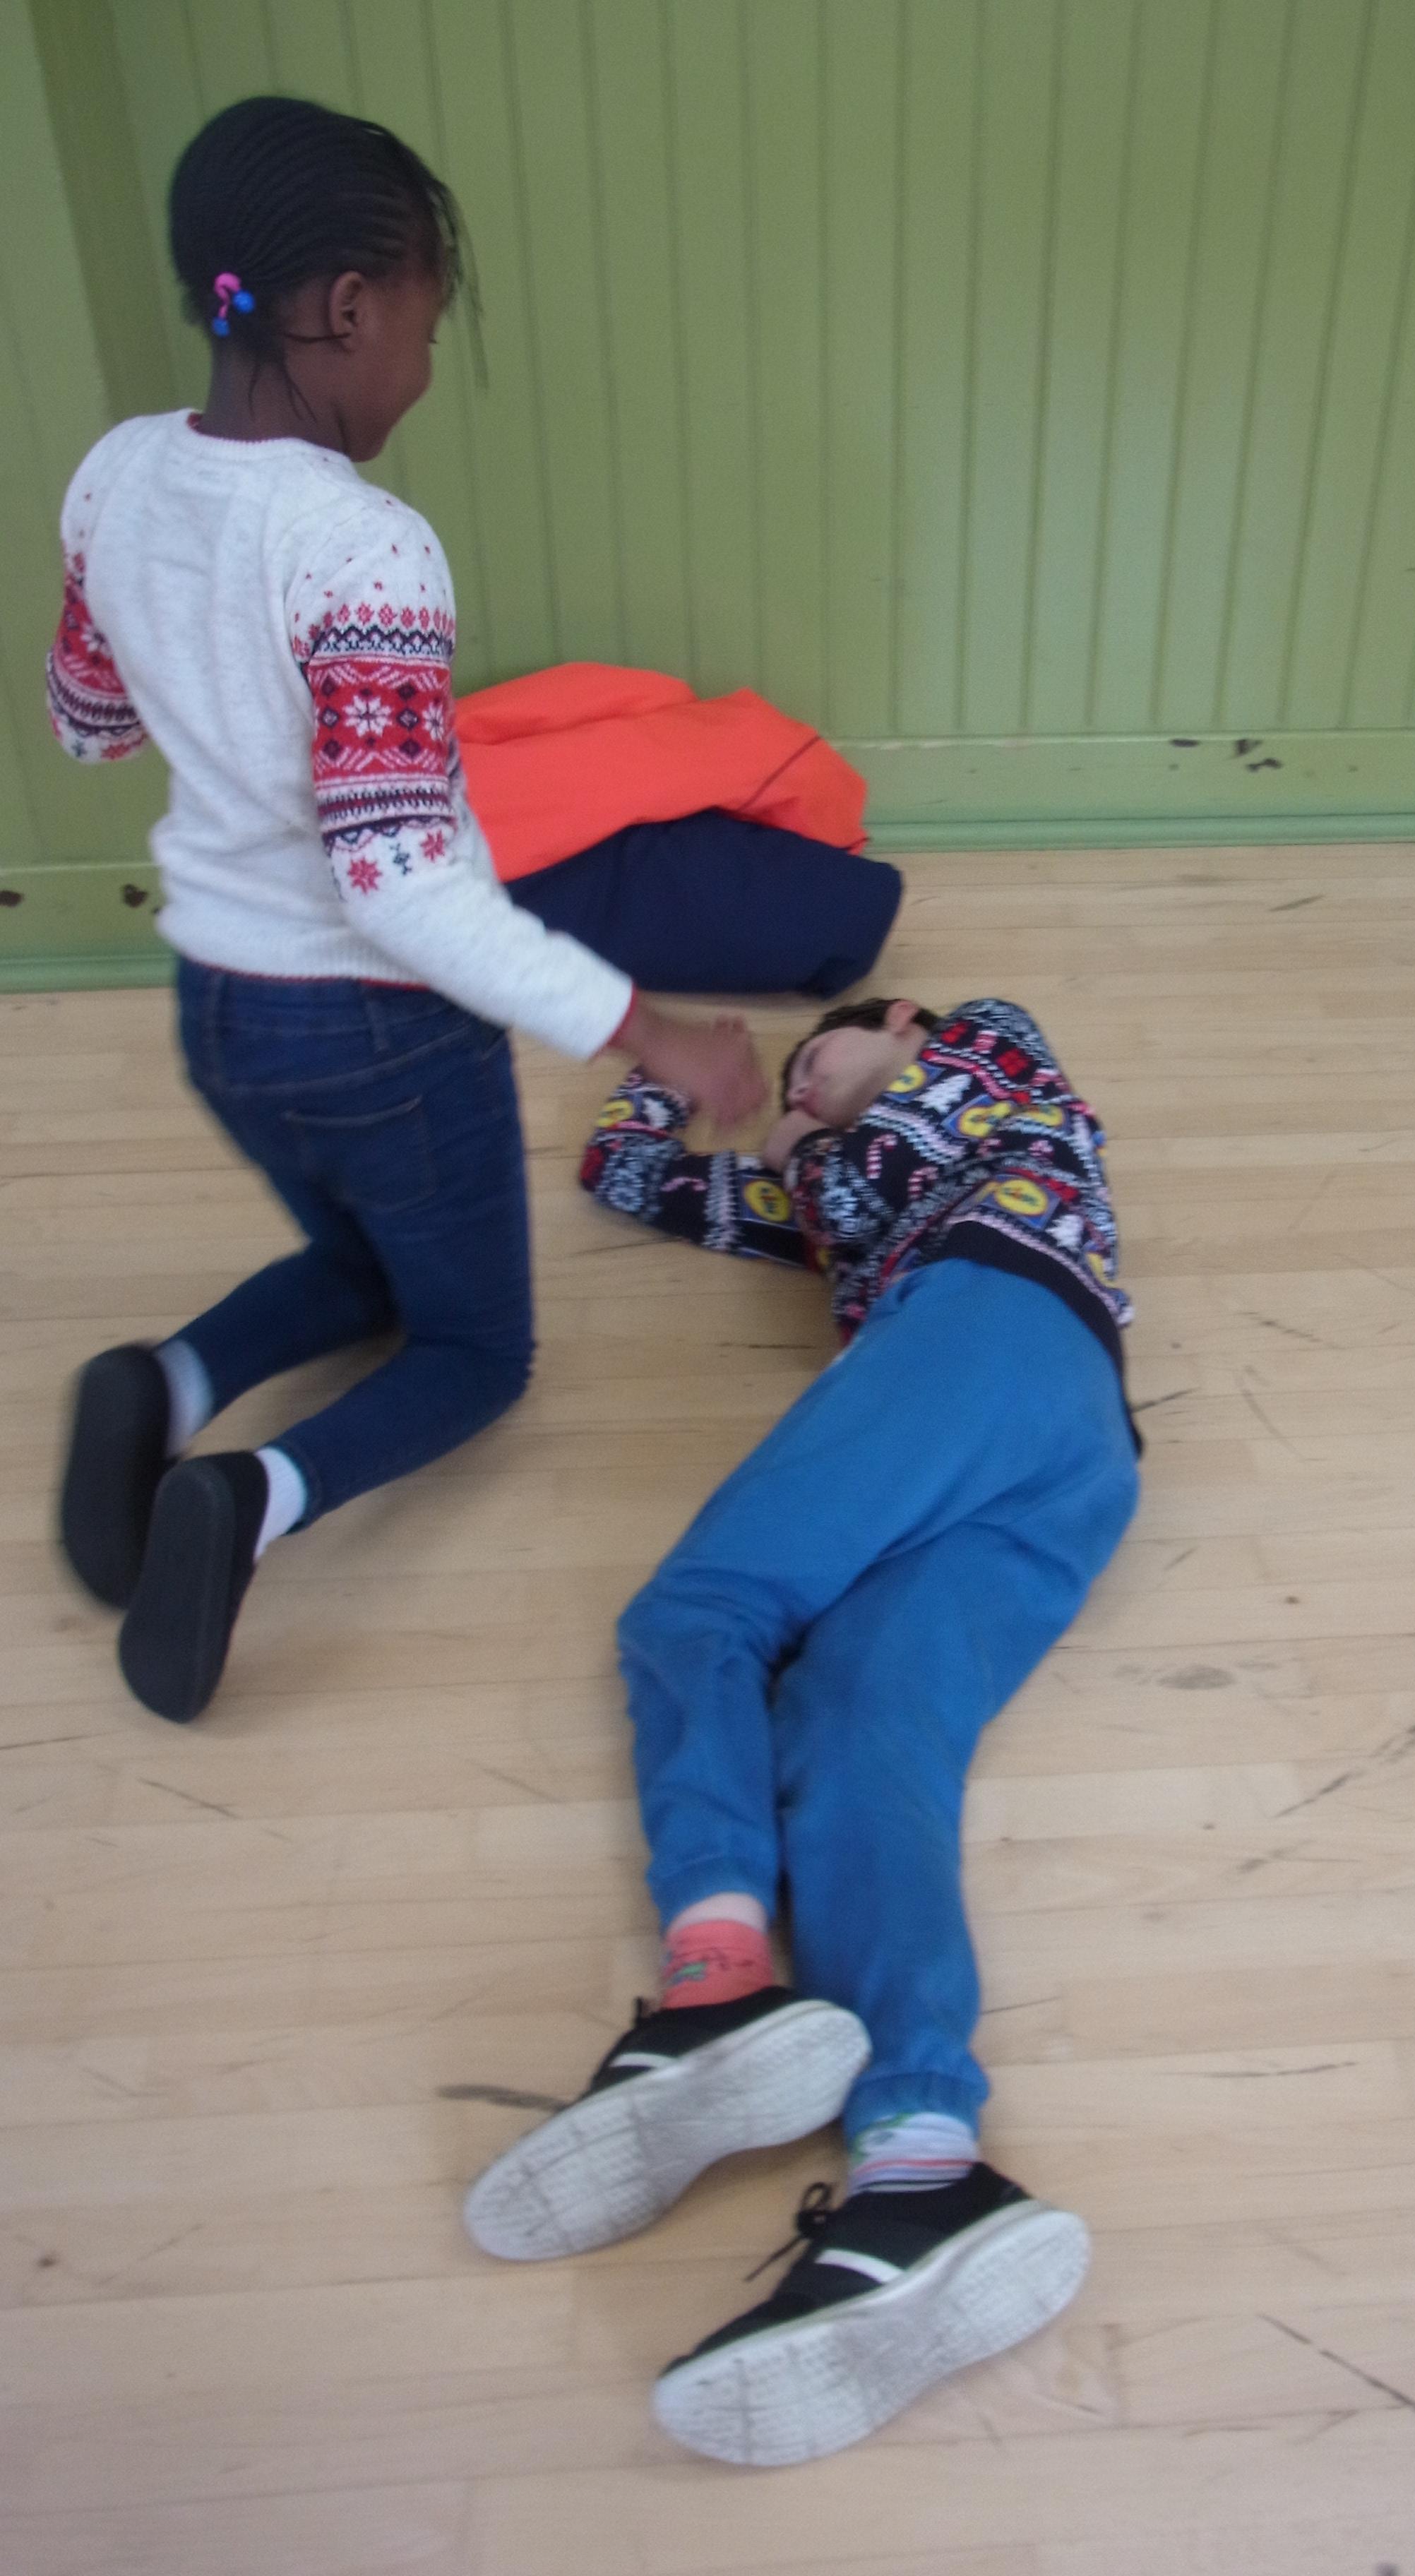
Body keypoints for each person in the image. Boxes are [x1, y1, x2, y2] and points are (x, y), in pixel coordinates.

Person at [45, 96, 762, 1724]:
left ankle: (163, 1381)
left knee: (362, 1261)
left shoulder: (115, 475)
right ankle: (249, 1497)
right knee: (475, 1353)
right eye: (429, 332)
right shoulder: (363, 549)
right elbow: (398, 880)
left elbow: (87, 722)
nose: (423, 374)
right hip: (372, 1029)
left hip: (217, 1008)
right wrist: (649, 1034)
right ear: (349, 307)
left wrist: (200, 666)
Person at [464, 995, 1140, 2467]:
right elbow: (627, 1180)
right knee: (856, 1744)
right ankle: (923, 2171)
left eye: (817, 1061)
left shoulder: (988, 1053)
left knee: (699, 1611)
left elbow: (896, 1138)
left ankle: (717, 1976)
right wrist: (672, 1081)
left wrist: (806, 1127)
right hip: (1070, 1471)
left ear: (899, 1021)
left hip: (991, 1322)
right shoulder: (830, 1197)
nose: (803, 1090)